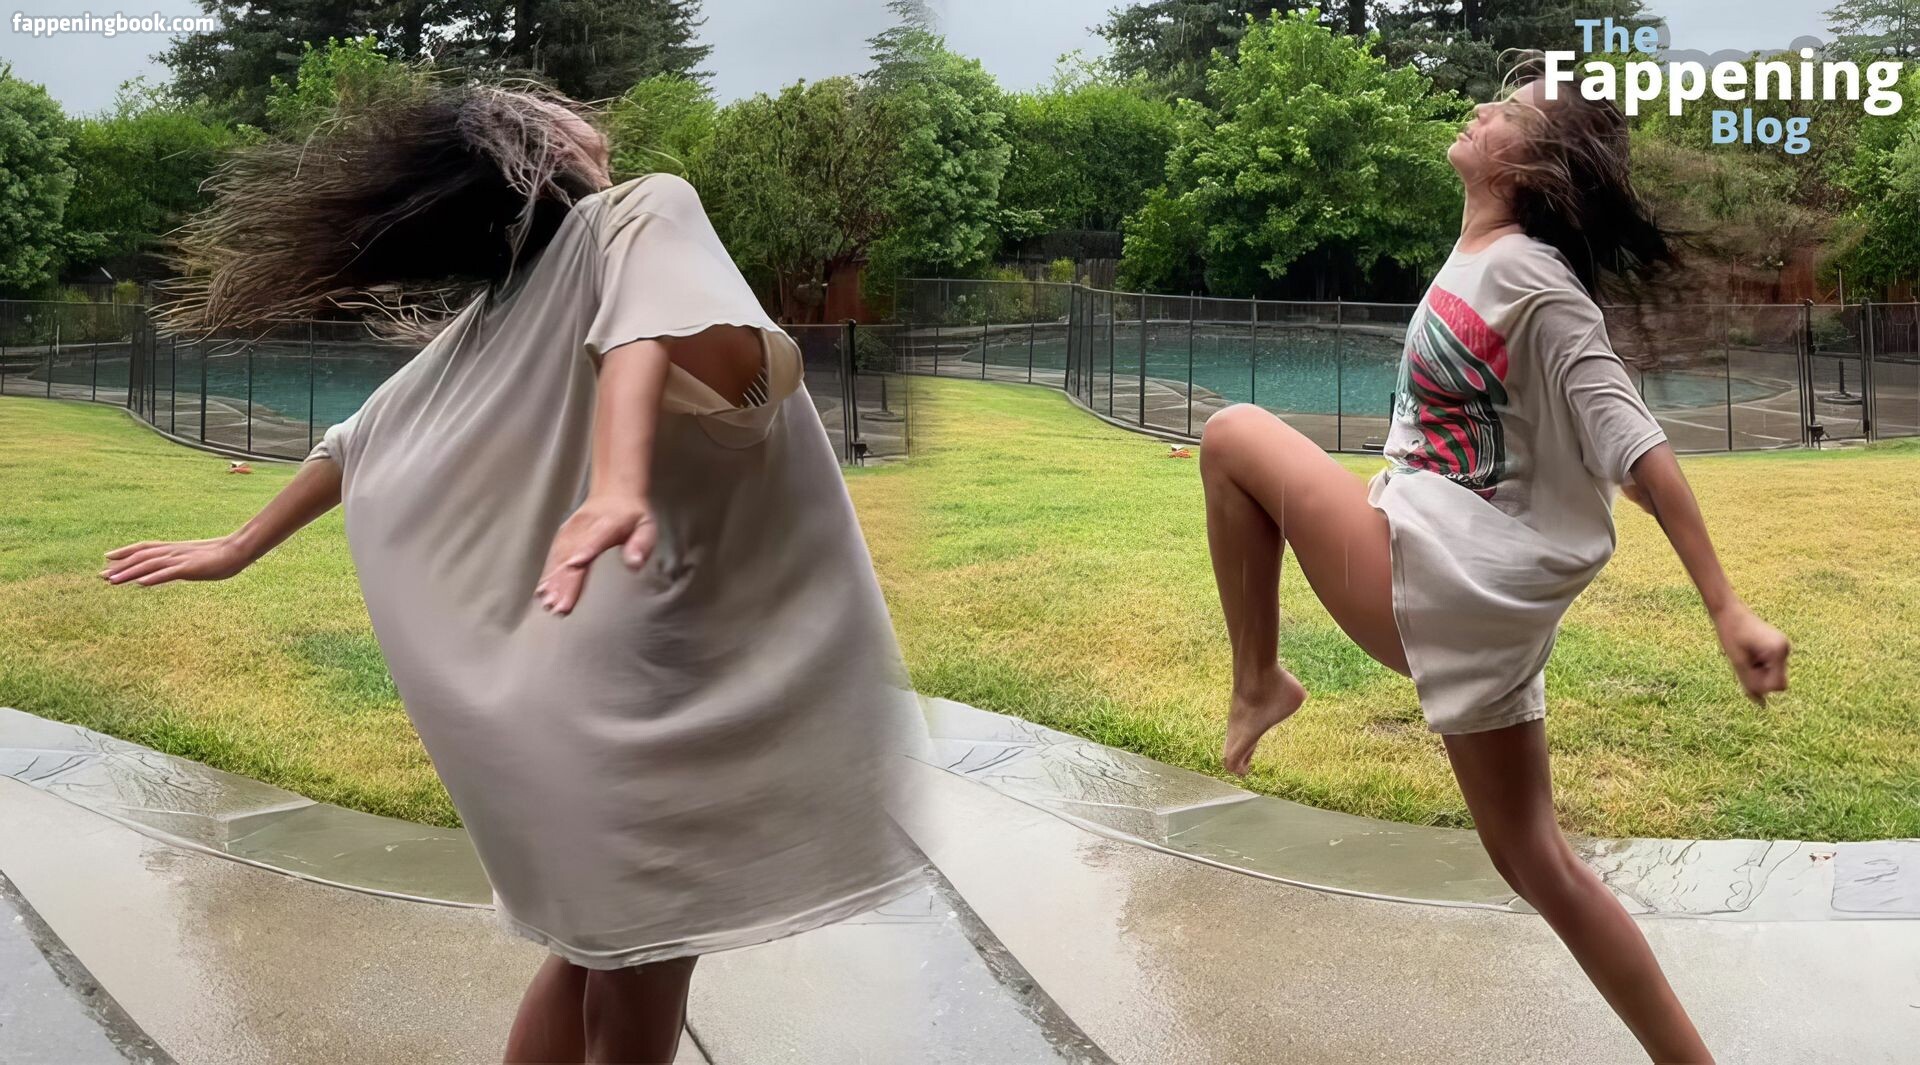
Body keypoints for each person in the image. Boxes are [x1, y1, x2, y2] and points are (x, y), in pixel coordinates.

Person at [102, 85, 922, 1064]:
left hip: (559, 695)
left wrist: (240, 544)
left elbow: (354, 441)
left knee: (587, 955)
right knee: (643, 965)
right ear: (534, 160)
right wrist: (618, 482)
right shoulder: (639, 212)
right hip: (641, 694)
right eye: (551, 114)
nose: (583, 115)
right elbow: (637, 333)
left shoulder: (507, 309)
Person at [1196, 65, 1789, 1064]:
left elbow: (1636, 445)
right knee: (1537, 862)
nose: (1481, 110)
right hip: (1473, 605)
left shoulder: (1533, 280)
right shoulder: (1489, 258)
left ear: (1533, 167)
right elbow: (1572, 448)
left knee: (1231, 435)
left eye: (1507, 112)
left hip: (1428, 575)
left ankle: (1260, 680)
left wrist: (1726, 605)